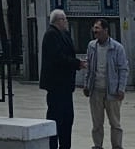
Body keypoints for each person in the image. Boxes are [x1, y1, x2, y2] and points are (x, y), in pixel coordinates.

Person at [83, 20, 128, 149]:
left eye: (97, 28)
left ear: (106, 30)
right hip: (95, 91)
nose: (95, 31)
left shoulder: (117, 47)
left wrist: (121, 88)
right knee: (97, 123)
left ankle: (117, 146)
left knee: (115, 123)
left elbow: (123, 69)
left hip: (112, 91)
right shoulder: (91, 46)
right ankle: (98, 145)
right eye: (94, 28)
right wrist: (86, 85)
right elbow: (89, 67)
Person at [41, 9, 82, 149]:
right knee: (56, 117)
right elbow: (58, 58)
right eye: (63, 19)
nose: (66, 21)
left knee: (67, 118)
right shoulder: (51, 35)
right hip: (56, 84)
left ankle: (65, 145)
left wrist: (76, 63)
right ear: (57, 21)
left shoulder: (65, 34)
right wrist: (77, 63)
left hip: (66, 85)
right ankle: (52, 145)